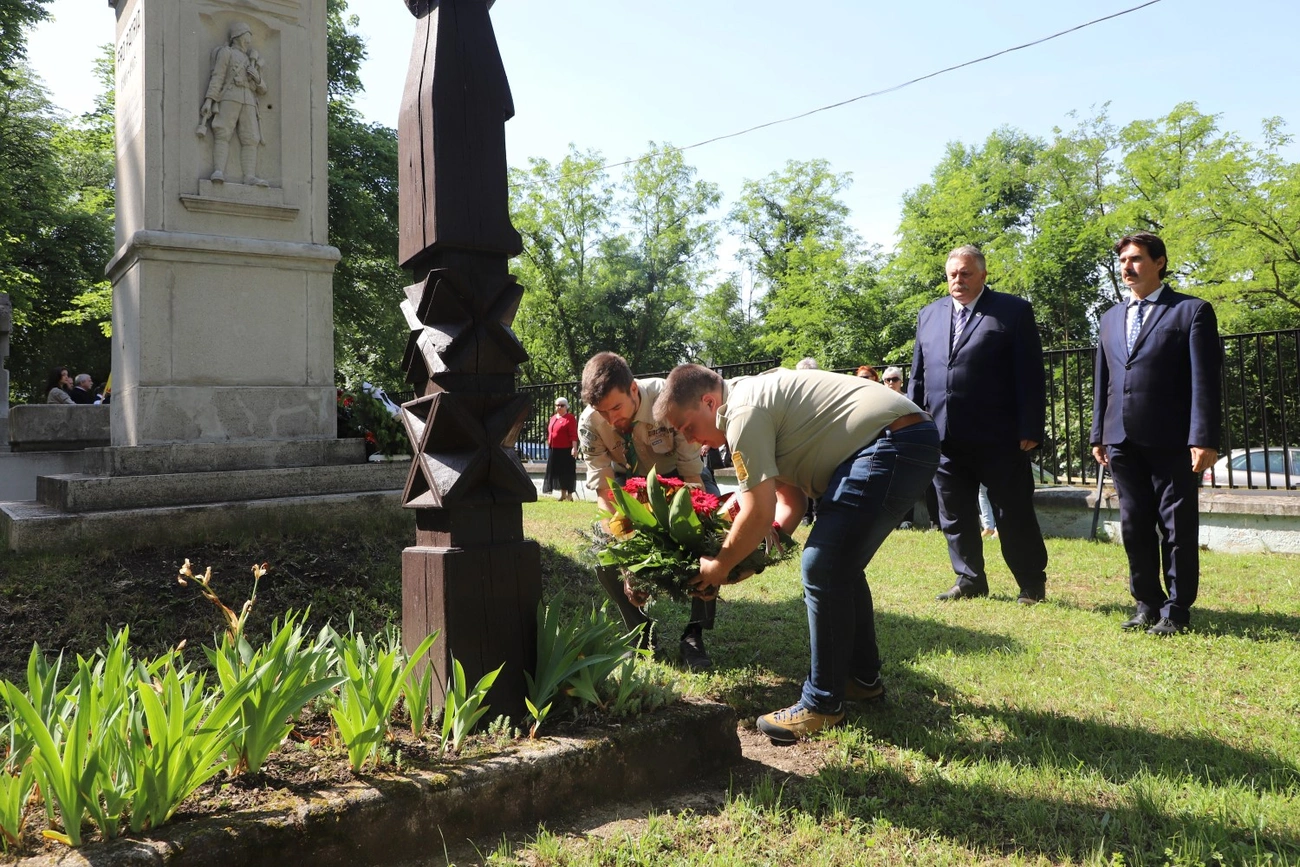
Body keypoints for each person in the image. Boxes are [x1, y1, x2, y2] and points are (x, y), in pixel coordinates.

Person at [654, 365, 939, 743]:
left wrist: (721, 564)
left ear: (709, 401)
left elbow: (758, 510)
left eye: (687, 427)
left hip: (891, 443)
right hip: (904, 439)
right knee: (840, 566)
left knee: (823, 564)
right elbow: (790, 501)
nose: (689, 441)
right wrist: (752, 560)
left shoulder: (741, 412)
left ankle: (823, 703)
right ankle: (862, 679)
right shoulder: (749, 401)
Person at [1091, 232, 1221, 636]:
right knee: (1133, 524)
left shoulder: (1191, 311)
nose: (1127, 267)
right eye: (1123, 261)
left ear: (1159, 262)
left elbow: (1205, 380)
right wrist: (1099, 433)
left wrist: (1204, 437)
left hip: (1173, 439)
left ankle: (1177, 608)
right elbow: (1104, 379)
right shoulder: (1111, 317)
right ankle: (1146, 601)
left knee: (1177, 525)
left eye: (1136, 259)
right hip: (1121, 438)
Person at [909, 245, 1049, 605]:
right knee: (954, 513)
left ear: (984, 276)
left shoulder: (1012, 311)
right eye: (953, 273)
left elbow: (1031, 374)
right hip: (944, 437)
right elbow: (919, 378)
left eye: (966, 273)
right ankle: (969, 578)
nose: (958, 279)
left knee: (1012, 512)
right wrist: (912, 425)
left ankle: (1031, 583)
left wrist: (1031, 427)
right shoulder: (929, 315)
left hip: (1000, 438)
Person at [579, 352, 719, 670]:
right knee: (604, 553)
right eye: (603, 411)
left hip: (682, 479)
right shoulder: (590, 423)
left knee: (711, 538)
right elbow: (605, 494)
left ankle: (694, 634)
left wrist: (690, 527)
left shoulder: (669, 401)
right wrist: (626, 555)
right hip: (629, 487)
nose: (612, 419)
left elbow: (694, 479)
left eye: (616, 407)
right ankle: (640, 630)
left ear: (633, 390)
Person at [200, 21, 268, 186]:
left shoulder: (251, 60)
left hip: (249, 100)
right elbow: (217, 77)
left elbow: (263, 89)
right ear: (237, 36)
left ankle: (249, 176)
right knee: (223, 132)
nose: (249, 41)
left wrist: (257, 77)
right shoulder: (226, 53)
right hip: (230, 95)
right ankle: (219, 171)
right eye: (247, 36)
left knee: (251, 138)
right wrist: (209, 101)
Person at [541, 397, 579, 502]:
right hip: (554, 449)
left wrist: (574, 448)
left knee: (567, 472)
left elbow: (573, 435)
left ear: (566, 407)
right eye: (557, 405)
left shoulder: (570, 418)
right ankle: (562, 494)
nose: (559, 407)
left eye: (562, 405)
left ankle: (570, 495)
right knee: (557, 472)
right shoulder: (553, 418)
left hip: (566, 449)